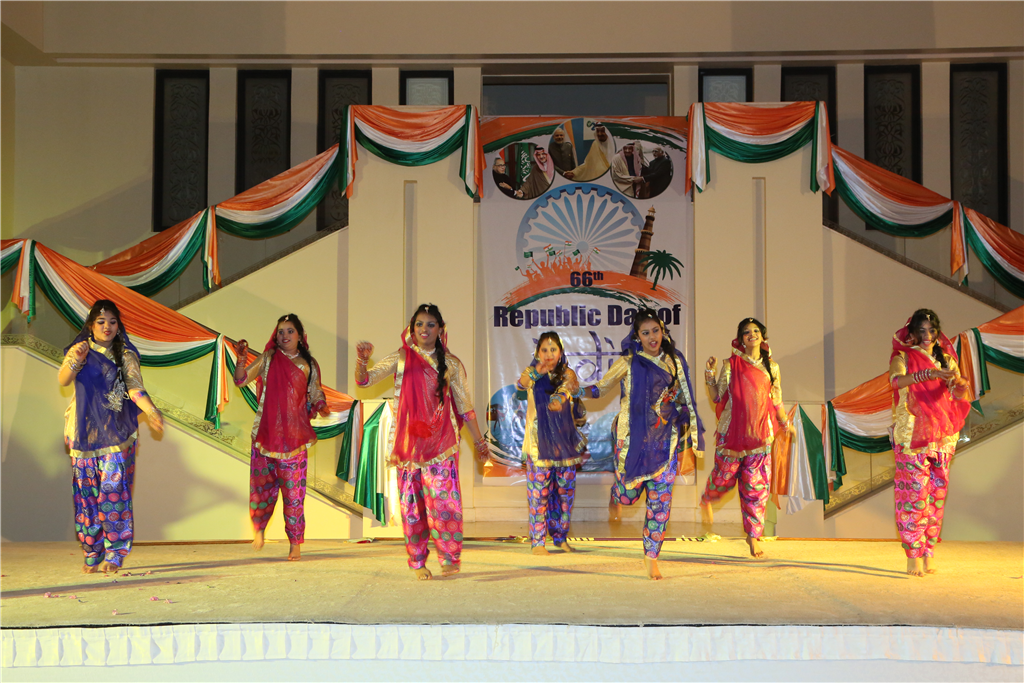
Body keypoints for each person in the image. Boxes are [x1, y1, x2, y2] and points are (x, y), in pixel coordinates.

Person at [355, 303, 489, 580]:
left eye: (430, 324)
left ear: (440, 329)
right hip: (409, 447)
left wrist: (479, 442)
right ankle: (417, 561)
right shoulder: (401, 358)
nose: (424, 329)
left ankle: (449, 557)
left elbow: (465, 407)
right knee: (412, 509)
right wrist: (362, 362)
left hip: (441, 445)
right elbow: (365, 381)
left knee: (445, 505)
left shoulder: (451, 364)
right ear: (411, 328)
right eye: (419, 324)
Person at [585, 309, 704, 580]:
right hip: (632, 442)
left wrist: (680, 412)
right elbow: (600, 389)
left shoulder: (674, 362)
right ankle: (617, 495)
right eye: (646, 332)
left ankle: (651, 556)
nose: (652, 337)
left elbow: (684, 398)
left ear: (663, 331)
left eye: (656, 331)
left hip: (664, 442)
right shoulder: (628, 362)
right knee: (628, 496)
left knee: (660, 502)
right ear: (637, 336)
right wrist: (575, 391)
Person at [59, 299, 164, 574]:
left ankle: (115, 553)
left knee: (113, 494)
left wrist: (151, 410)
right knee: (86, 497)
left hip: (115, 433)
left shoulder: (125, 355)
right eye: (101, 321)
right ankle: (92, 551)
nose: (107, 327)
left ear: (119, 325)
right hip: (82, 433)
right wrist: (76, 359)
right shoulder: (80, 349)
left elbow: (135, 388)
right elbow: (63, 379)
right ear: (91, 325)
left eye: (113, 322)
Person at [234, 313, 329, 562]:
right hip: (266, 436)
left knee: (294, 495)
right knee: (261, 489)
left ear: (300, 336)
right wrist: (241, 360)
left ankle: (295, 542)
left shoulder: (308, 364)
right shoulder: (269, 358)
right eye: (280, 331)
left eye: (289, 331)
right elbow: (241, 380)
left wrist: (321, 404)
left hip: (294, 439)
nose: (284, 335)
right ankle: (259, 529)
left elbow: (315, 390)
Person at [700, 318, 793, 559]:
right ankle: (707, 499)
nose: (751, 334)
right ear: (741, 339)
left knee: (756, 489)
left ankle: (753, 537)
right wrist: (709, 373)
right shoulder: (730, 365)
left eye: (755, 331)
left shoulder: (772, 367)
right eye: (746, 332)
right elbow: (717, 396)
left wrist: (785, 424)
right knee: (723, 477)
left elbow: (776, 399)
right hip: (732, 433)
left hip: (760, 436)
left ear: (763, 336)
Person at [888, 309, 970, 577]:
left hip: (942, 435)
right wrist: (928, 375)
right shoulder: (902, 357)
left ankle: (928, 551)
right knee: (914, 495)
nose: (927, 335)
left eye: (931, 330)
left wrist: (959, 385)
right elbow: (896, 382)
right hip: (911, 434)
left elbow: (955, 394)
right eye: (921, 330)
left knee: (936, 495)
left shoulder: (947, 360)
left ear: (937, 332)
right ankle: (913, 554)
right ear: (911, 333)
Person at [515, 332, 587, 555]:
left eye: (553, 349)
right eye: (544, 350)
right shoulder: (532, 374)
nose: (549, 354)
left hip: (564, 445)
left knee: (565, 495)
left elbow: (570, 390)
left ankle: (560, 537)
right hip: (539, 445)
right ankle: (538, 542)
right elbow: (520, 385)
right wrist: (537, 371)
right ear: (538, 353)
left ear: (560, 352)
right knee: (538, 495)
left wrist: (562, 395)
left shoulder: (567, 374)